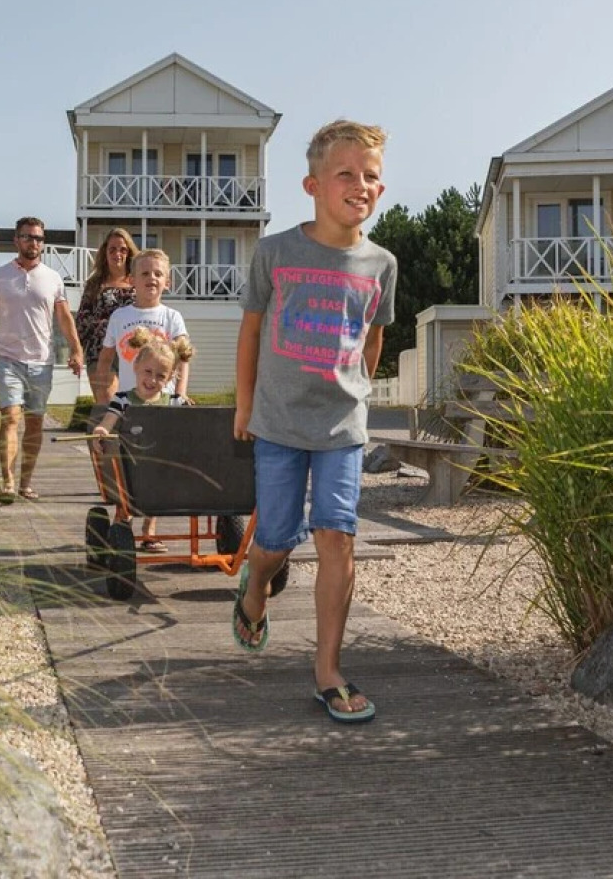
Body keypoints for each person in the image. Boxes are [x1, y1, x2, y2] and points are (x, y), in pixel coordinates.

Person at [230, 119, 397, 725]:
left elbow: (373, 341)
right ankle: (255, 589)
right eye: (346, 173)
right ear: (313, 184)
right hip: (276, 422)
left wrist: (356, 393)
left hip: (342, 428)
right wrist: (245, 405)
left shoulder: (381, 264)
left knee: (337, 535)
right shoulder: (275, 252)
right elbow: (251, 330)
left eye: (371, 176)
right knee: (276, 539)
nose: (360, 184)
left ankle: (327, 671)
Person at [0, 217, 84, 504]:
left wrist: (76, 349)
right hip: (7, 357)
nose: (35, 243)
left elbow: (64, 318)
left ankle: (26, 483)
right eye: (29, 237)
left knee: (34, 423)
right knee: (10, 417)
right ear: (16, 240)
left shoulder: (53, 278)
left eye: (39, 238)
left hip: (41, 361)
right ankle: (7, 481)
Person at [91, 332, 196, 552]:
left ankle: (149, 529)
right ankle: (123, 520)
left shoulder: (174, 402)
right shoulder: (124, 399)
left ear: (169, 378)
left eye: (160, 376)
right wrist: (101, 429)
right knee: (128, 480)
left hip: (161, 463)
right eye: (148, 372)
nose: (152, 380)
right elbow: (109, 420)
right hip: (131, 462)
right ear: (136, 366)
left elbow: (190, 427)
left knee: (159, 480)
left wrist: (189, 410)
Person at [96, 249, 191, 405]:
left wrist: (180, 394)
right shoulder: (119, 317)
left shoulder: (173, 317)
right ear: (132, 280)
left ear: (167, 282)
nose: (152, 277)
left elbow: (183, 358)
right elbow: (105, 360)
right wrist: (103, 395)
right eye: (145, 273)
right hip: (127, 402)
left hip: (164, 401)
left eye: (158, 274)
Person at [75, 228, 138, 404]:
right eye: (112, 249)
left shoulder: (139, 282)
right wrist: (77, 351)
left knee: (133, 409)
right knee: (110, 405)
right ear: (105, 252)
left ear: (129, 253)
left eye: (122, 249)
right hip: (99, 352)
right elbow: (81, 321)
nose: (117, 254)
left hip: (133, 354)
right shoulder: (95, 284)